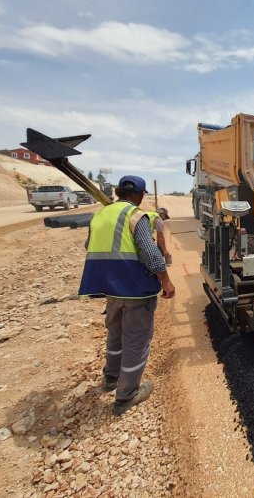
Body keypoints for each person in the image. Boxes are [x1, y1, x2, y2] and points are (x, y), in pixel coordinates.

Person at [78, 175, 175, 415]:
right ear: (140, 195)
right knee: (136, 340)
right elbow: (151, 254)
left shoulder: (100, 214)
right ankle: (126, 396)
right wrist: (166, 281)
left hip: (110, 288)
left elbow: (88, 245)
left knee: (116, 334)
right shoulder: (135, 215)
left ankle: (111, 378)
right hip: (134, 287)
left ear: (118, 192)